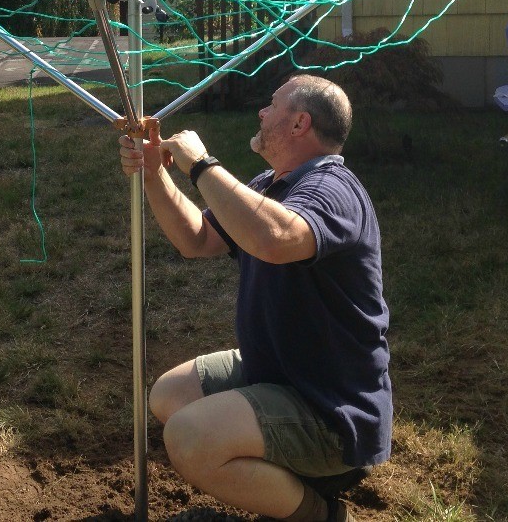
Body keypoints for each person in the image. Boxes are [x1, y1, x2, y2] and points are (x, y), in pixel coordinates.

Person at [118, 75, 391, 522]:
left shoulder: (334, 190)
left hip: (331, 408)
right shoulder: (272, 183)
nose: (262, 113)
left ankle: (316, 513)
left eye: (272, 105)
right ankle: (289, 476)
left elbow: (276, 237)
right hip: (281, 372)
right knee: (170, 396)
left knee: (190, 438)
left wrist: (202, 165)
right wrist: (155, 172)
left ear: (300, 123)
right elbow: (198, 238)